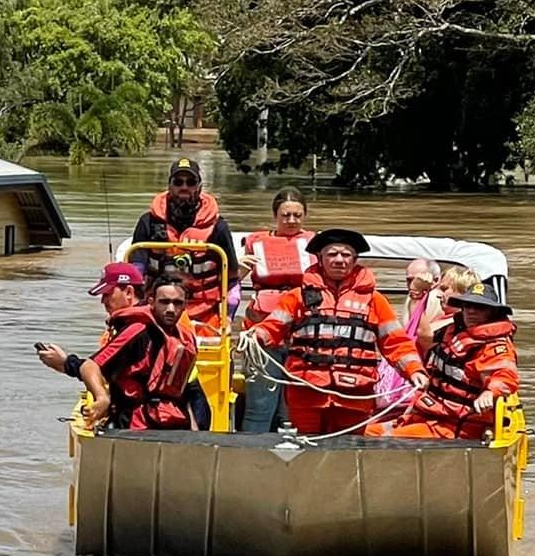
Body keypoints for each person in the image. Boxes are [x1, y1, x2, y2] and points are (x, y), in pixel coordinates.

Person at [242, 227, 426, 436]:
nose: (339, 260)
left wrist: (414, 370)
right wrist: (257, 335)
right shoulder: (297, 297)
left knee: (349, 454)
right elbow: (273, 327)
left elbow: (395, 342)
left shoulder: (374, 301)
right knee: (306, 451)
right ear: (320, 258)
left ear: (355, 259)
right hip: (307, 395)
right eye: (332, 254)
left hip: (354, 398)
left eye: (346, 254)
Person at [39, 267, 197, 430]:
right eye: (164, 302)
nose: (170, 309)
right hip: (147, 423)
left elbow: (185, 392)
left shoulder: (177, 336)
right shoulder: (147, 331)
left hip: (161, 424)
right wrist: (102, 397)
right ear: (151, 302)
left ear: (185, 305)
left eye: (177, 303)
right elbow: (94, 365)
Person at [370, 292, 519, 441]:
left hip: (453, 426)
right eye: (467, 306)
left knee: (374, 438)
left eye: (480, 308)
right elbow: (422, 337)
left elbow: (505, 376)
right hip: (427, 415)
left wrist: (489, 393)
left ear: (492, 312)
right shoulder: (453, 332)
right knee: (363, 431)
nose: (471, 311)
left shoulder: (495, 347)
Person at [129, 157, 239, 329]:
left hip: (204, 313)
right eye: (178, 182)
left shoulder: (218, 227)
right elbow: (135, 273)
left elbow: (231, 279)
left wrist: (229, 317)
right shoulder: (148, 222)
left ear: (200, 187)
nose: (184, 187)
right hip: (156, 310)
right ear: (169, 186)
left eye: (191, 182)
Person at [237, 186, 313, 433]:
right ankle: (249, 456)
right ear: (275, 216)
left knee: (291, 409)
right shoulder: (255, 244)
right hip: (262, 336)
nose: (292, 221)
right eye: (286, 215)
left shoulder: (316, 245)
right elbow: (229, 283)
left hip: (302, 336)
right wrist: (237, 268)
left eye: (297, 215)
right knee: (259, 406)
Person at [374, 258, 439, 406]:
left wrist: (418, 295)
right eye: (408, 281)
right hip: (406, 367)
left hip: (420, 374)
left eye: (416, 280)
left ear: (435, 281)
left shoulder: (436, 298)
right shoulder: (412, 299)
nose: (411, 285)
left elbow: (424, 336)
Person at [415, 265, 482, 359]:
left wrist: (418, 296)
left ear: (462, 292)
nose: (438, 295)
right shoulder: (443, 317)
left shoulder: (461, 323)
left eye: (444, 289)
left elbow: (425, 336)